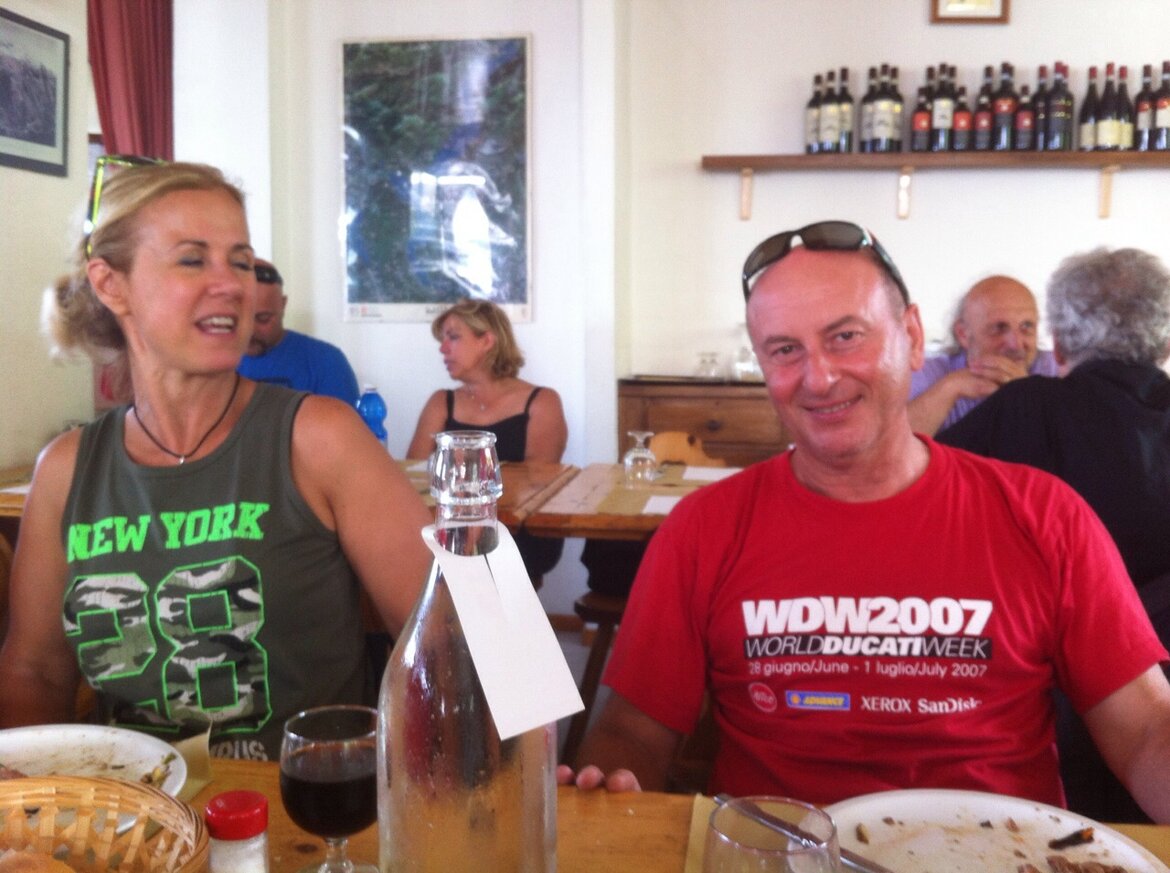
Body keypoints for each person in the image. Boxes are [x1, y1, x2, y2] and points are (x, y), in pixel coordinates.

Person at [559, 220, 1170, 823]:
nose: (819, 378)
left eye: (846, 337)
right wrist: (608, 784)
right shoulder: (703, 527)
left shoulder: (1046, 515)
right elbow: (632, 730)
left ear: (912, 335)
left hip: (1002, 850)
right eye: (785, 350)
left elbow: (1146, 730)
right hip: (777, 853)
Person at [0, 160, 433, 760]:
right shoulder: (66, 470)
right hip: (134, 808)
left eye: (241, 261)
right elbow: (35, 672)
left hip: (301, 804)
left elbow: (451, 643)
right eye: (192, 260)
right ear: (111, 284)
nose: (232, 284)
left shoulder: (320, 437)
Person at [937, 246, 1170, 822]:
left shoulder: (1024, 407)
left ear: (1058, 344)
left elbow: (911, 486)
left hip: (1040, 716)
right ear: (1164, 344)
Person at [407, 299, 566, 581]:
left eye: (453, 337)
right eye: (443, 340)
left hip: (518, 532)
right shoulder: (441, 401)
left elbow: (538, 484)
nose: (443, 349)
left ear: (487, 341)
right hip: (450, 527)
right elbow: (413, 474)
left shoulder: (542, 401)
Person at [908, 275, 1059, 435]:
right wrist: (950, 389)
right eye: (999, 328)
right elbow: (892, 443)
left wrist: (1027, 395)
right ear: (963, 334)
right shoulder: (925, 373)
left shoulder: (1058, 368)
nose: (1015, 344)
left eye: (1027, 327)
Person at [236, 258, 361, 405]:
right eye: (240, 317)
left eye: (263, 318)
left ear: (283, 305)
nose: (250, 330)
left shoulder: (326, 362)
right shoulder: (215, 360)